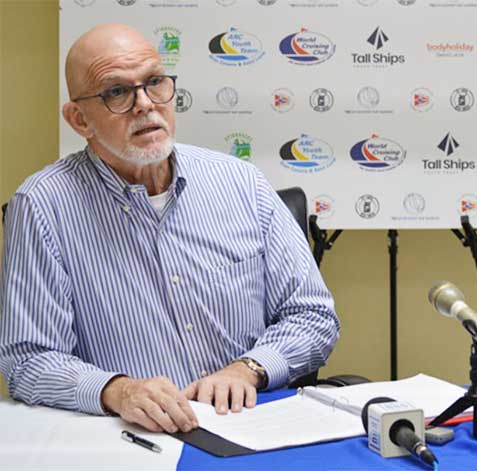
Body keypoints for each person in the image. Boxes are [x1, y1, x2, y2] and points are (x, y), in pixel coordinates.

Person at [0, 24, 339, 433]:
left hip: (252, 427)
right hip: (132, 440)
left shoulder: (242, 184)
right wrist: (118, 391)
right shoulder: (43, 206)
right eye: (117, 92)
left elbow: (313, 315)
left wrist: (249, 369)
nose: (144, 104)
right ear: (79, 119)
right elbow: (28, 358)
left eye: (154, 82)